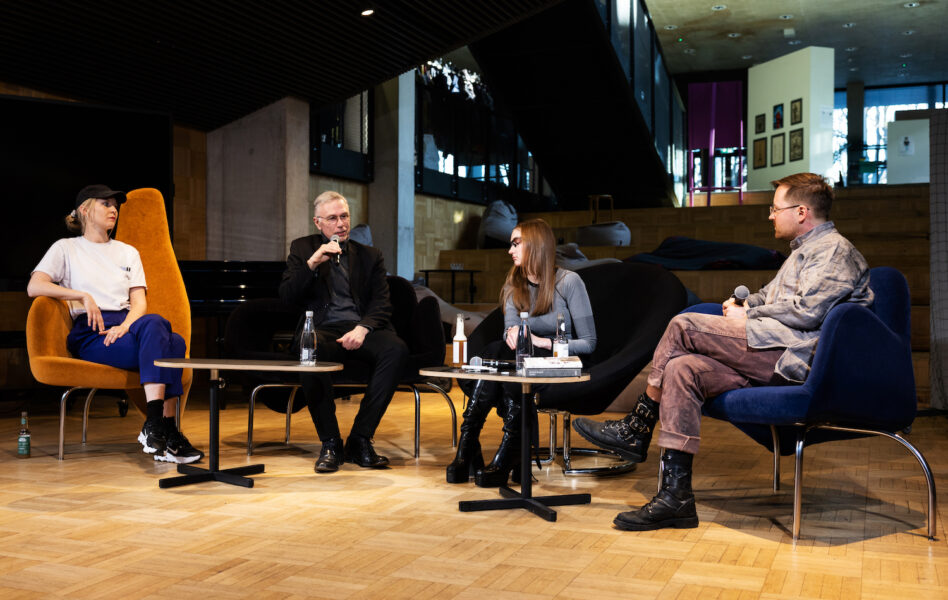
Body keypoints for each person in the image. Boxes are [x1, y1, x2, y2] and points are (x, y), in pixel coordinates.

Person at [572, 172, 873, 531]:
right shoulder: (803, 252)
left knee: (684, 324)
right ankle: (675, 498)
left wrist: (750, 315)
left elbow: (809, 312)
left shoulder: (834, 251)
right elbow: (770, 297)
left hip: (795, 358)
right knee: (683, 369)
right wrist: (745, 303)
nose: (770, 215)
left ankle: (637, 425)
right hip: (770, 348)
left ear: (802, 212)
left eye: (775, 209)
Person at [27, 184, 203, 464]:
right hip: (93, 332)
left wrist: (124, 327)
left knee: (160, 327)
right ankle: (167, 431)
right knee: (174, 344)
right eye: (106, 204)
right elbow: (35, 286)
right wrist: (81, 296)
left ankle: (155, 427)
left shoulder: (127, 252)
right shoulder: (66, 247)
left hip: (127, 326)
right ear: (85, 210)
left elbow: (139, 303)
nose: (114, 210)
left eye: (116, 205)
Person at [446, 218, 597, 486]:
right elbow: (511, 332)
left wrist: (542, 342)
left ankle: (474, 451)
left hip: (557, 361)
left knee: (501, 360)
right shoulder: (512, 285)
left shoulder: (569, 282)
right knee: (500, 352)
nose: (510, 250)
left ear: (536, 245)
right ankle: (484, 447)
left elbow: (588, 343)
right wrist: (513, 334)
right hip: (521, 361)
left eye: (516, 244)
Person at [279, 191, 409, 473]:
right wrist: (313, 263)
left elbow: (382, 302)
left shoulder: (370, 255)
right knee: (309, 350)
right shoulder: (302, 248)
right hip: (322, 329)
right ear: (318, 222)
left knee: (395, 349)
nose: (341, 223)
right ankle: (330, 443)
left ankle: (360, 439)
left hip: (361, 328)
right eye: (332, 218)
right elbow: (287, 297)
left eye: (344, 216)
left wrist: (363, 328)